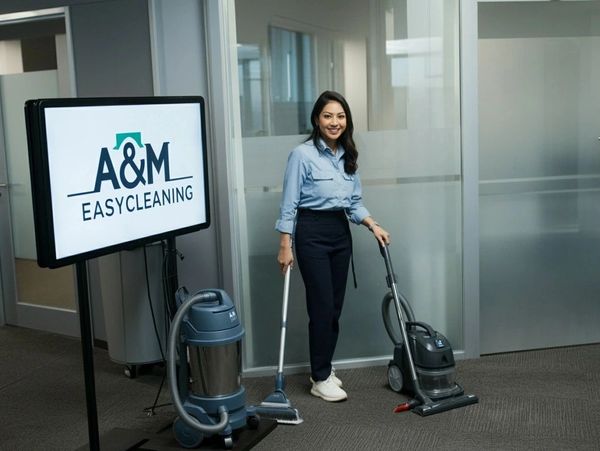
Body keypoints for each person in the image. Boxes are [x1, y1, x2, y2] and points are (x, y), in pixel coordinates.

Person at [275, 90, 390, 402]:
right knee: (322, 306)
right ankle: (320, 378)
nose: (334, 122)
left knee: (334, 309)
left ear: (346, 121)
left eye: (340, 116)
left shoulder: (347, 156)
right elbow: (290, 203)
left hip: (340, 233)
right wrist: (286, 243)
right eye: (328, 116)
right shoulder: (302, 155)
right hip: (311, 232)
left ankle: (322, 368)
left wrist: (372, 224)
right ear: (317, 119)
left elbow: (353, 203)